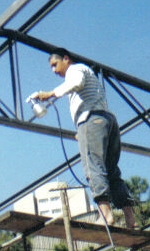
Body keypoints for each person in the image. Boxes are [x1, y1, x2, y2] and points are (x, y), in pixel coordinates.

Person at [34, 48, 136, 229]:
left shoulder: (75, 70)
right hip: (106, 120)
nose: (54, 70)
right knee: (111, 170)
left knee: (93, 166)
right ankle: (130, 219)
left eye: (55, 65)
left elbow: (76, 83)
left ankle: (105, 215)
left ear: (66, 59)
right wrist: (81, 131)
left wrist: (50, 94)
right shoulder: (86, 72)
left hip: (92, 119)